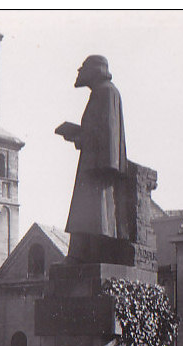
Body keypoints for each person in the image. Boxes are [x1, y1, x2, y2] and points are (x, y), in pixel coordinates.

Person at [56, 55, 128, 251]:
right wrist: (79, 134)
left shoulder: (106, 92)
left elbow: (108, 133)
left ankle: (86, 253)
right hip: (94, 163)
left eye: (82, 68)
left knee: (95, 213)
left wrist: (79, 135)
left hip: (98, 166)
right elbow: (99, 131)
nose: (79, 72)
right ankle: (83, 252)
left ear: (95, 70)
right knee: (88, 212)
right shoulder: (102, 92)